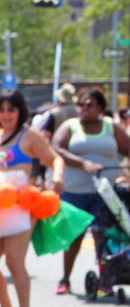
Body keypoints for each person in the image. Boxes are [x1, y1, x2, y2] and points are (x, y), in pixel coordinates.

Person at [0, 89, 64, 307]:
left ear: (20, 111)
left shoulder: (29, 135)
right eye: (2, 110)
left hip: (22, 207)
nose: (6, 115)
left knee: (14, 261)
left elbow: (55, 159)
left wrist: (57, 177)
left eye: (11, 109)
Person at [52, 88, 130, 294]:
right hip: (75, 191)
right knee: (74, 237)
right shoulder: (71, 126)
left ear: (101, 108)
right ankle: (65, 278)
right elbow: (57, 147)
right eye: (81, 104)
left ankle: (106, 279)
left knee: (102, 235)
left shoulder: (110, 127)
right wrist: (82, 162)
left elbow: (128, 149)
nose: (84, 108)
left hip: (105, 193)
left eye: (90, 104)